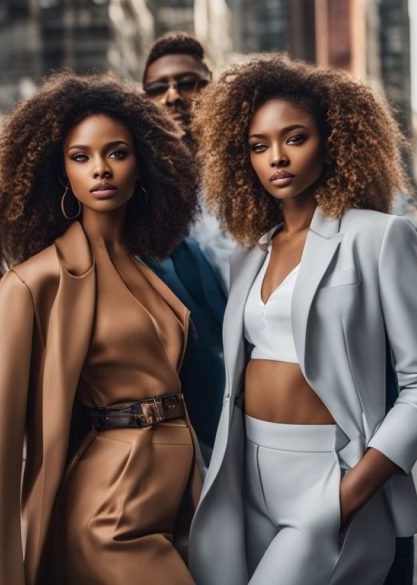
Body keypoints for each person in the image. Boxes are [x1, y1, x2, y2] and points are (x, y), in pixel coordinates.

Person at [187, 55, 417, 585]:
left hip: (331, 475)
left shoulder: (377, 237)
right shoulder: (251, 252)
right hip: (248, 474)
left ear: (331, 142)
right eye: (258, 146)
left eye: (295, 138)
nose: (276, 159)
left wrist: (351, 493)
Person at [0, 73, 202, 585]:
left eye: (116, 153)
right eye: (81, 157)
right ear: (60, 174)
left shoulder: (149, 269)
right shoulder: (36, 282)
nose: (101, 169)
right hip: (108, 512)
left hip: (172, 503)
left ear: (143, 163)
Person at [141, 32, 229, 457]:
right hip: (193, 402)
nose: (172, 96)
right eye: (158, 88)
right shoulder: (137, 196)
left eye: (188, 83)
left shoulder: (256, 175)